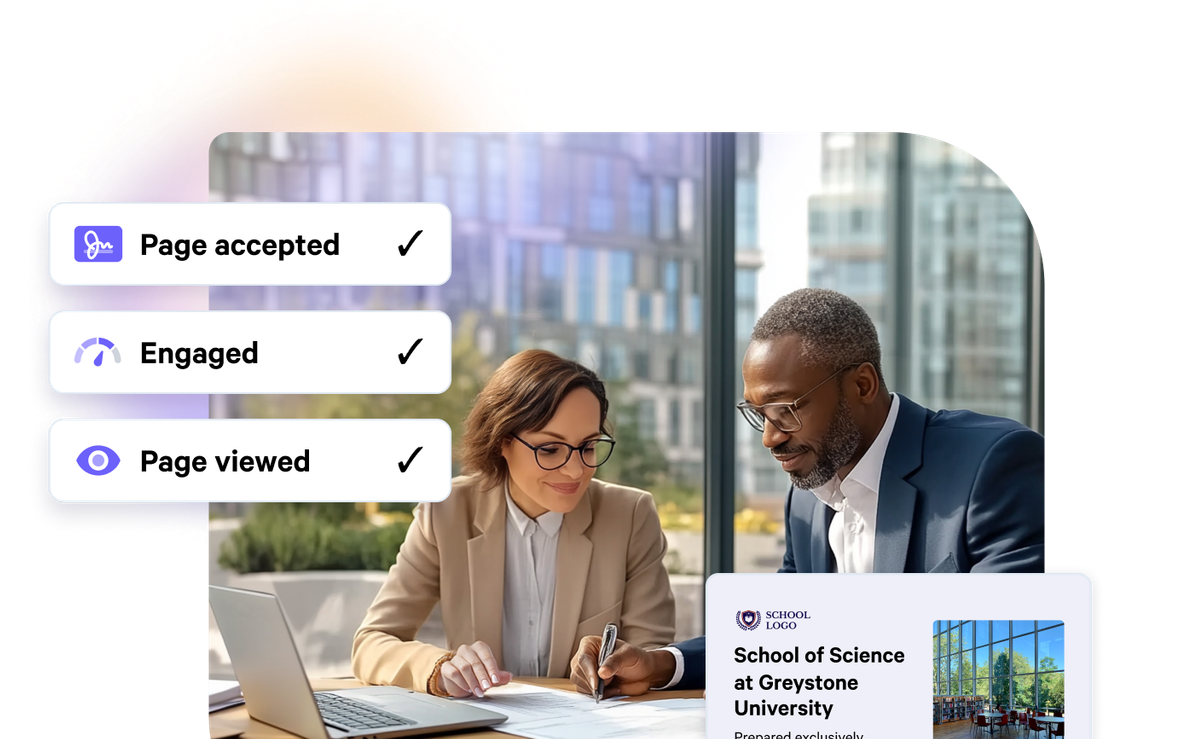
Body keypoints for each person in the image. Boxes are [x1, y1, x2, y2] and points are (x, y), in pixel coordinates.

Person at [571, 287, 1044, 695]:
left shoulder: (993, 465)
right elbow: (784, 632)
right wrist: (661, 664)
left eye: (785, 410)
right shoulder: (809, 496)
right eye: (759, 414)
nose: (769, 438)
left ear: (862, 384)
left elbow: (1000, 655)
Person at [352, 349, 676, 698]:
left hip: (594, 732)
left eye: (588, 446)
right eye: (550, 449)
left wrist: (625, 671)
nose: (575, 470)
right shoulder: (445, 513)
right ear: (502, 442)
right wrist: (440, 668)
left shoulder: (630, 516)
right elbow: (372, 643)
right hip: (485, 730)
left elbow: (651, 656)